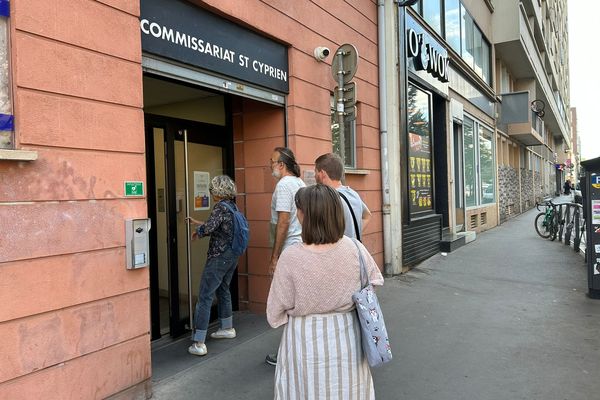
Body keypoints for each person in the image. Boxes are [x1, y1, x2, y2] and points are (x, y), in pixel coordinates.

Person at [267, 184, 384, 399]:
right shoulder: (355, 247)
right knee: (348, 390)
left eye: (299, 210)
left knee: (304, 390)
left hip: (304, 339)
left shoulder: (291, 257)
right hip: (347, 335)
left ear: (305, 215)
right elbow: (374, 281)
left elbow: (275, 312)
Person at [187, 175, 241, 356]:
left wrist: (197, 232)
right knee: (223, 289)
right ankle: (227, 327)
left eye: (211, 190)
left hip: (218, 257)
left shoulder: (220, 207)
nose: (210, 193)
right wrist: (200, 224)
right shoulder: (232, 206)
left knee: (205, 296)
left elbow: (210, 228)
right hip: (232, 256)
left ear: (217, 192)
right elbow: (219, 227)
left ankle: (198, 342)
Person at [265, 147, 306, 366]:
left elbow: (283, 221)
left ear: (282, 165)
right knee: (297, 301)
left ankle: (287, 353)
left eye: (272, 162)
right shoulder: (300, 183)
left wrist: (274, 257)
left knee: (286, 302)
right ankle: (297, 348)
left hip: (289, 248)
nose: (269, 165)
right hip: (302, 246)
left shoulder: (283, 185)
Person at [315, 152, 371, 240]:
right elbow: (367, 215)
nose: (315, 175)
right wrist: (354, 236)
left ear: (322, 173)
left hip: (339, 252)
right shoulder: (353, 193)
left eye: (316, 171)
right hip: (354, 250)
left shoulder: (328, 198)